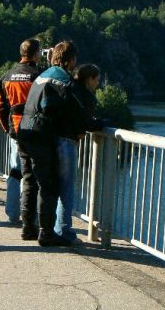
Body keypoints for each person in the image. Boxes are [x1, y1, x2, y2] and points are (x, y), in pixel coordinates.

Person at [17, 41, 78, 246]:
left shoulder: (42, 75)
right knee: (48, 185)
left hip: (24, 131)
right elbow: (66, 111)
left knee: (29, 181)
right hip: (40, 136)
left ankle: (27, 228)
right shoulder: (64, 79)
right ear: (70, 60)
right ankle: (46, 232)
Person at [54, 64, 105, 243]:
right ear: (89, 79)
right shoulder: (85, 95)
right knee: (66, 189)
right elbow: (86, 122)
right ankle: (63, 231)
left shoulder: (66, 87)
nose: (98, 83)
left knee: (52, 186)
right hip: (67, 142)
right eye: (96, 79)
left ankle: (52, 227)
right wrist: (101, 124)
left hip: (52, 139)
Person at [0, 38, 41, 225]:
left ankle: (12, 213)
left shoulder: (7, 76)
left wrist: (8, 129)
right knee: (34, 173)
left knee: (15, 171)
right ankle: (32, 216)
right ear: (36, 54)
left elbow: (0, 106)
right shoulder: (39, 75)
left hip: (15, 130)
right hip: (35, 130)